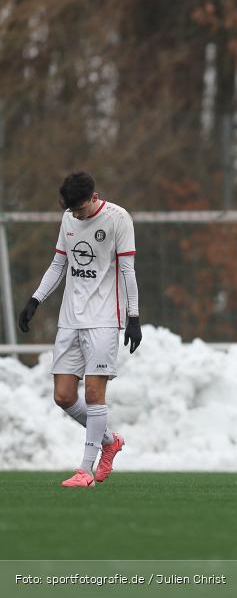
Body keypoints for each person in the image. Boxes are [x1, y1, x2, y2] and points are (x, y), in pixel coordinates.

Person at [18, 171, 141, 487]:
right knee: (63, 396)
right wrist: (35, 300)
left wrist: (134, 317)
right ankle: (110, 441)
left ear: (94, 198)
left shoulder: (118, 219)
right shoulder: (69, 219)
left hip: (103, 319)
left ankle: (85, 470)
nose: (76, 215)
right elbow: (59, 264)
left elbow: (127, 271)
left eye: (80, 209)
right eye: (71, 210)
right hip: (70, 319)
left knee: (94, 393)